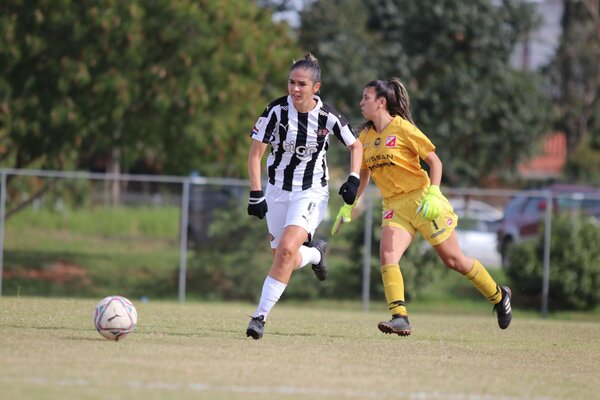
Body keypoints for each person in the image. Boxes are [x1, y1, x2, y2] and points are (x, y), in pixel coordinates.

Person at [332, 78, 512, 336]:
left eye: (366, 98)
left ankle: (499, 296)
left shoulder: (403, 128)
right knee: (387, 256)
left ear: (381, 102)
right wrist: (349, 206)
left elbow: (435, 162)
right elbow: (363, 176)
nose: (361, 103)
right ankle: (400, 317)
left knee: (453, 260)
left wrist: (434, 194)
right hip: (394, 205)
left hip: (421, 200)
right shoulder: (365, 137)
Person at [246, 53, 363, 340]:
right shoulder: (275, 111)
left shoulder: (328, 116)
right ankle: (315, 254)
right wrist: (256, 193)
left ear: (316, 88)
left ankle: (259, 317)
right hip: (277, 191)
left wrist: (353, 178)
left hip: (311, 192)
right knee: (282, 257)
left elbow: (356, 146)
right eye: (291, 82)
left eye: (302, 84)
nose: (295, 89)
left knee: (286, 250)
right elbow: (255, 154)